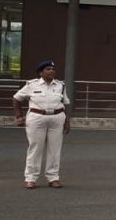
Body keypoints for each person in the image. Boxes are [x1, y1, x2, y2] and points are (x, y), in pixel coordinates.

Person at [12, 60, 72, 189]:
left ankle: (53, 177)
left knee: (54, 150)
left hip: (56, 117)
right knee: (35, 148)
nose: (51, 71)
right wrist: (19, 116)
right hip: (37, 117)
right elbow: (17, 98)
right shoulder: (31, 85)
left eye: (53, 69)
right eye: (48, 69)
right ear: (41, 72)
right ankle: (31, 178)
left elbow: (66, 103)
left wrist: (67, 121)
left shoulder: (61, 86)